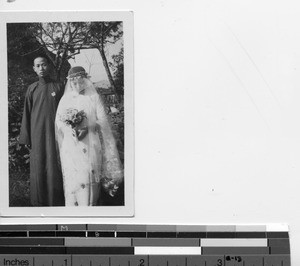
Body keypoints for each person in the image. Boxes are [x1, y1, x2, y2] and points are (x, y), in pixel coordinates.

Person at [55, 66, 123, 206]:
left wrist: (88, 127)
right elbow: (58, 122)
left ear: (85, 80)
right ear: (69, 82)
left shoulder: (94, 97)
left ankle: (89, 205)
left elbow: (103, 120)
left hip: (89, 142)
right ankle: (73, 206)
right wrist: (69, 129)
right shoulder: (65, 99)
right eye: (73, 82)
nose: (77, 85)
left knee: (88, 174)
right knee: (73, 175)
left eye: (80, 81)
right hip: (71, 144)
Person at [19, 56, 65, 206]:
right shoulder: (31, 89)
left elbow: (65, 112)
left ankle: (55, 201)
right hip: (36, 134)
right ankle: (38, 202)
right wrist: (26, 137)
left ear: (49, 66)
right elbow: (26, 113)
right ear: (34, 68)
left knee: (54, 166)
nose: (41, 68)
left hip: (54, 135)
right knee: (38, 166)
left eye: (43, 65)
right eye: (37, 66)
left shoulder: (58, 87)